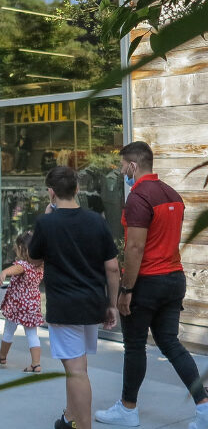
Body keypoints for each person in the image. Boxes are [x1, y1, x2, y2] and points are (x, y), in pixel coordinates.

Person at [96, 142, 208, 428]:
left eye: (123, 166)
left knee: (135, 346)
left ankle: (127, 409)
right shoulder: (173, 194)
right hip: (174, 279)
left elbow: (135, 248)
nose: (122, 171)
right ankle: (204, 407)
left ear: (133, 165)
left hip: (147, 282)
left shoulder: (138, 197)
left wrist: (126, 290)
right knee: (170, 343)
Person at [32, 165, 123, 429]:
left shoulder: (46, 223)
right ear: (77, 189)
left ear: (51, 192)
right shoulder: (97, 220)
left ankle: (82, 425)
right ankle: (69, 417)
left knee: (76, 371)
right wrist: (112, 304)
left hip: (64, 306)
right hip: (92, 303)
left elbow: (34, 260)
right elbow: (112, 267)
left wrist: (47, 216)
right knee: (78, 365)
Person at [0, 231, 47, 373]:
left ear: (23, 249)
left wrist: (4, 272)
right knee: (32, 334)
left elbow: (17, 268)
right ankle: (36, 364)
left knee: (8, 330)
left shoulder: (24, 264)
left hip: (17, 306)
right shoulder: (41, 265)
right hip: (32, 304)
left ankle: (2, 356)